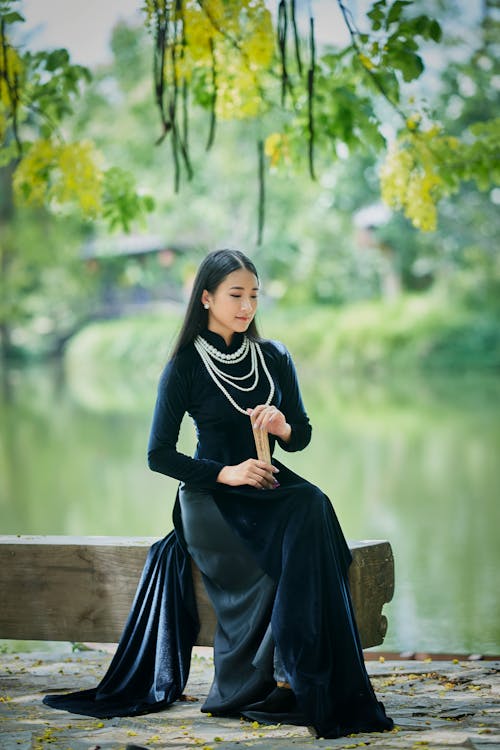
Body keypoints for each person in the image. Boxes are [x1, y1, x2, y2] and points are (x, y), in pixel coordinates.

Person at [43, 249, 393, 739]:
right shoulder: (185, 365)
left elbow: (305, 435)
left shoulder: (273, 357)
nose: (247, 305)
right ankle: (292, 677)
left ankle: (297, 679)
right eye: (235, 295)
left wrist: (283, 427)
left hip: (268, 484)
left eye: (253, 295)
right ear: (206, 298)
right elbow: (159, 455)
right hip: (211, 497)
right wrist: (226, 473)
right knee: (306, 513)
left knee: (313, 503)